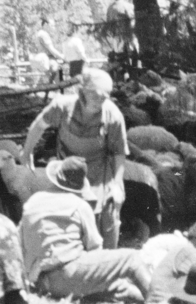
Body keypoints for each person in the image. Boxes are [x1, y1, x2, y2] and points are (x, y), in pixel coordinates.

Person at [20, 67, 129, 247]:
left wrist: (118, 184)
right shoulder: (61, 107)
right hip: (67, 174)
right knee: (64, 219)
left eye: (105, 96)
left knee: (107, 219)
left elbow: (119, 152)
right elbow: (38, 126)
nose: (100, 100)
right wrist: (27, 152)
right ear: (82, 92)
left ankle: (107, 262)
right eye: (96, 95)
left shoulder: (113, 115)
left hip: (98, 176)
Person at [20, 157, 151, 304]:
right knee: (132, 258)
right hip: (67, 273)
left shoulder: (33, 201)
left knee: (118, 288)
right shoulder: (79, 205)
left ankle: (138, 295)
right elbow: (95, 247)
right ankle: (160, 302)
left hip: (40, 280)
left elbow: (21, 241)